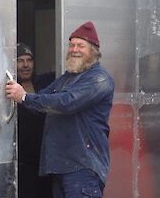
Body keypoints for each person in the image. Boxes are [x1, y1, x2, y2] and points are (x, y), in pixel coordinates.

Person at [7, 22, 115, 198]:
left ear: (93, 51)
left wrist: (25, 97)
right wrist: (14, 95)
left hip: (82, 168)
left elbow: (67, 103)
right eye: (71, 45)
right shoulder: (67, 78)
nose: (74, 49)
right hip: (60, 167)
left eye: (80, 46)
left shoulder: (99, 79)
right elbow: (41, 104)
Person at [16, 43, 55, 198]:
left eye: (29, 60)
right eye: (20, 60)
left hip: (46, 161)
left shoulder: (44, 82)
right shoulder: (10, 88)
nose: (25, 65)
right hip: (22, 163)